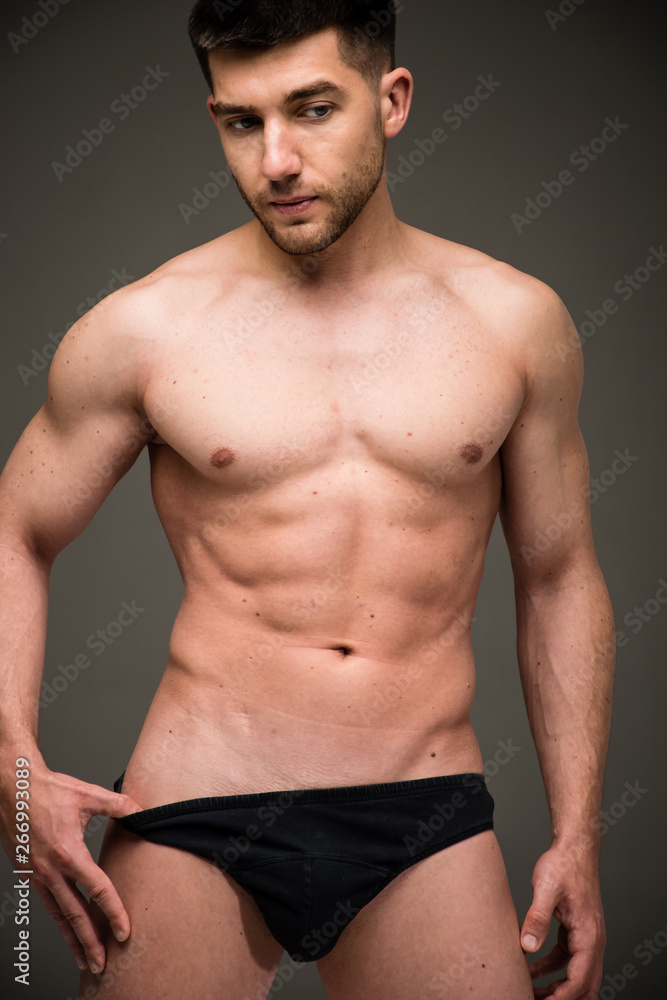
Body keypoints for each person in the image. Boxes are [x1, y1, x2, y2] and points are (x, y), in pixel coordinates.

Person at [0, 2, 614, 997]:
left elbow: (557, 575)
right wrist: (14, 770)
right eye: (241, 122)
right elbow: (14, 533)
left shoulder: (513, 322)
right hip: (197, 801)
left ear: (393, 100)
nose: (276, 159)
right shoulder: (145, 329)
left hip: (421, 811)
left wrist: (580, 837)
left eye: (312, 109)